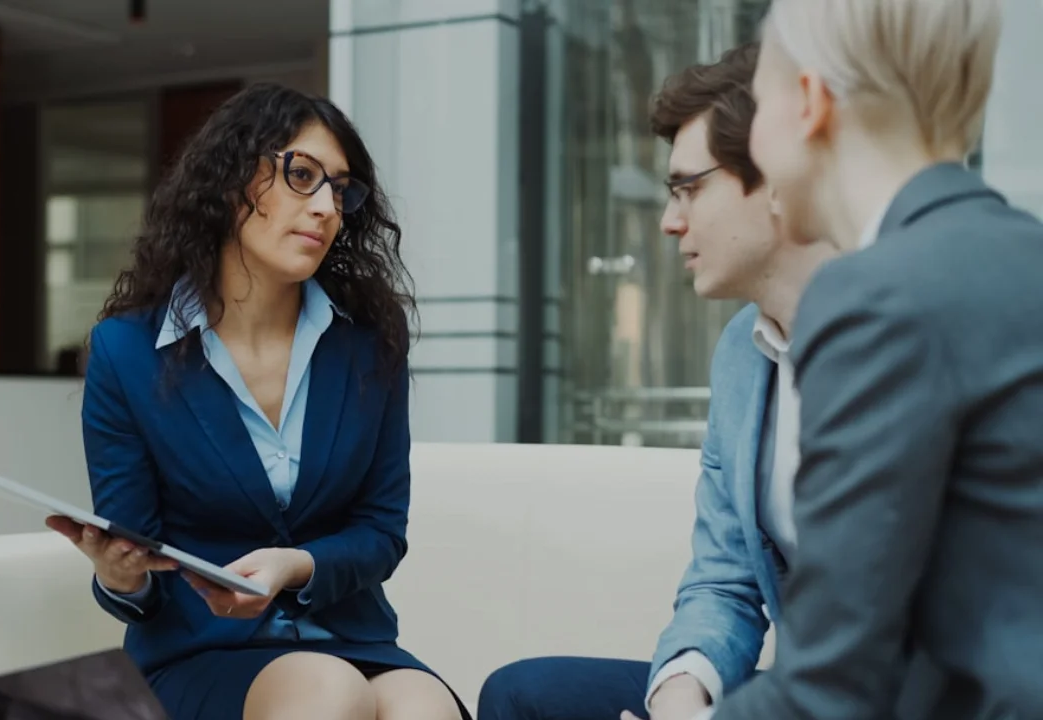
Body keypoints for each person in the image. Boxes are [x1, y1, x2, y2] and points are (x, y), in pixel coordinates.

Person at [45, 83, 469, 720]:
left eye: (340, 188)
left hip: (352, 637)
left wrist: (294, 565)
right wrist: (121, 575)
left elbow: (381, 533)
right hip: (198, 654)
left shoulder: (369, 343)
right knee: (327, 691)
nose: (327, 206)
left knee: (423, 709)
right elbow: (137, 566)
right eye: (301, 175)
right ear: (228, 182)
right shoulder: (126, 352)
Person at [691, 0, 1043, 718]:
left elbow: (833, 685)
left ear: (810, 105)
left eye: (759, 104)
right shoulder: (1023, 257)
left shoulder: (874, 297)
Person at [477, 43, 840, 720]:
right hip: (799, 690)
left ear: (778, 177)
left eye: (689, 187)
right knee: (522, 695)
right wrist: (683, 696)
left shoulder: (904, 335)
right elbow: (726, 582)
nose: (671, 220)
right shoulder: (743, 355)